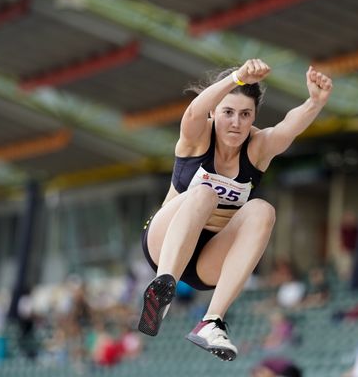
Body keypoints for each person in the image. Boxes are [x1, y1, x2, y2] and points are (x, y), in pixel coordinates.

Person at [137, 58, 333, 362]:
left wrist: (314, 102)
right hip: (165, 244)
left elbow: (287, 127)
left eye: (245, 115)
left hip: (207, 260)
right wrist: (237, 78)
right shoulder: (198, 135)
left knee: (263, 210)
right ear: (215, 111)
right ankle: (162, 289)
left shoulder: (258, 148)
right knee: (204, 194)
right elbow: (193, 111)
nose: (236, 123)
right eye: (228, 112)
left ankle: (212, 320)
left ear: (254, 116)